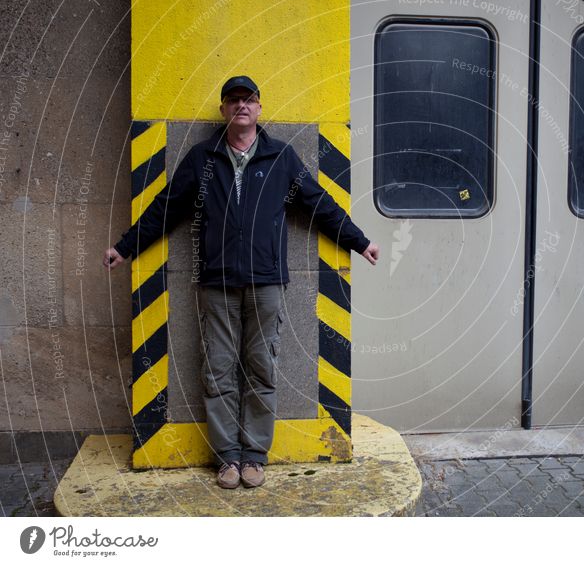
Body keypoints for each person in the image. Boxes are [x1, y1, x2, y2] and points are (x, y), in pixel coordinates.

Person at [104, 75, 379, 489]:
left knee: (261, 369)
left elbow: (318, 204)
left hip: (267, 282)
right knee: (217, 372)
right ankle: (227, 458)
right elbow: (166, 208)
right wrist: (125, 247)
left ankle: (254, 456)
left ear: (259, 108)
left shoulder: (281, 158)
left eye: (248, 99)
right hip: (216, 283)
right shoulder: (202, 158)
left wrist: (359, 242)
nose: (241, 106)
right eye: (233, 100)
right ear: (223, 110)